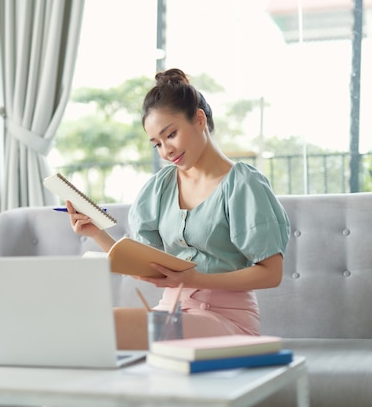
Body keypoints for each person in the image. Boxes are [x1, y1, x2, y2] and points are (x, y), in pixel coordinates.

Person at [65, 68, 290, 350]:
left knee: (108, 326)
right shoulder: (160, 187)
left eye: (170, 135)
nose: (166, 151)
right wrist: (95, 232)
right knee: (86, 323)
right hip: (171, 313)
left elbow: (272, 273)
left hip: (226, 320)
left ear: (199, 119)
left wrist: (196, 278)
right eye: (157, 144)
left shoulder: (243, 184)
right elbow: (146, 268)